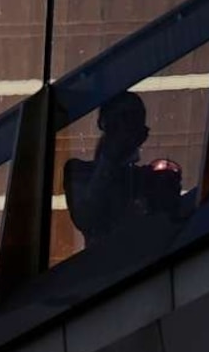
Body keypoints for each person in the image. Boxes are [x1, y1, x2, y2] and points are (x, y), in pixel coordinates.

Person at [64, 90, 189, 247]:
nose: (126, 134)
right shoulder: (80, 171)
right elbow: (86, 216)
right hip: (106, 266)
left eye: (133, 125)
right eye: (122, 123)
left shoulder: (144, 177)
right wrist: (110, 158)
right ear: (107, 126)